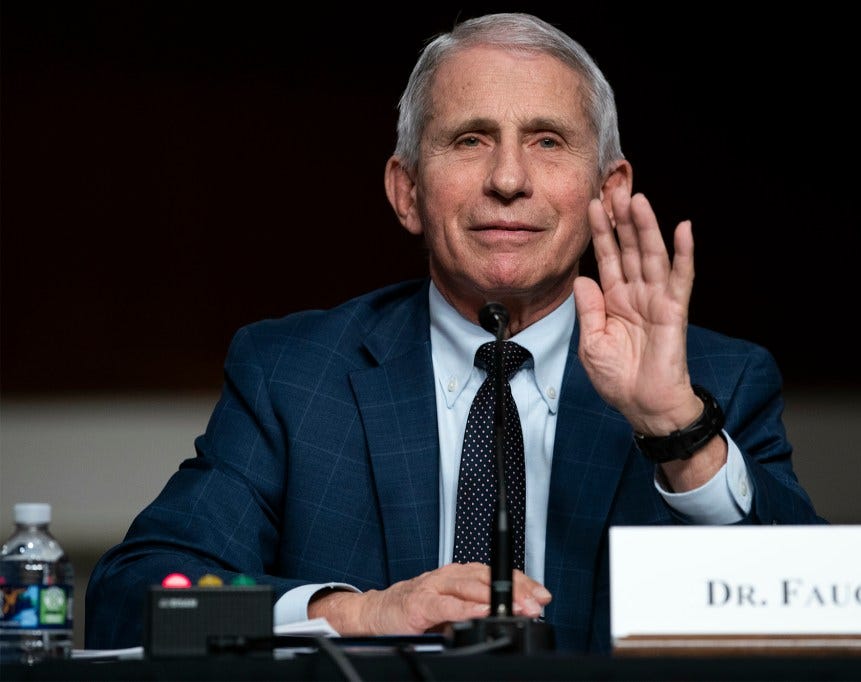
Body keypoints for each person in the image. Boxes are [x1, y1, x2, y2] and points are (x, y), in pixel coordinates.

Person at [85, 12, 824, 654]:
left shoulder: (715, 385)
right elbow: (131, 598)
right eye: (470, 140)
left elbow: (830, 619)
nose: (508, 179)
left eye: (547, 141)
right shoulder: (294, 376)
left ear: (609, 192)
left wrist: (678, 433)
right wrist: (356, 615)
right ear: (407, 191)